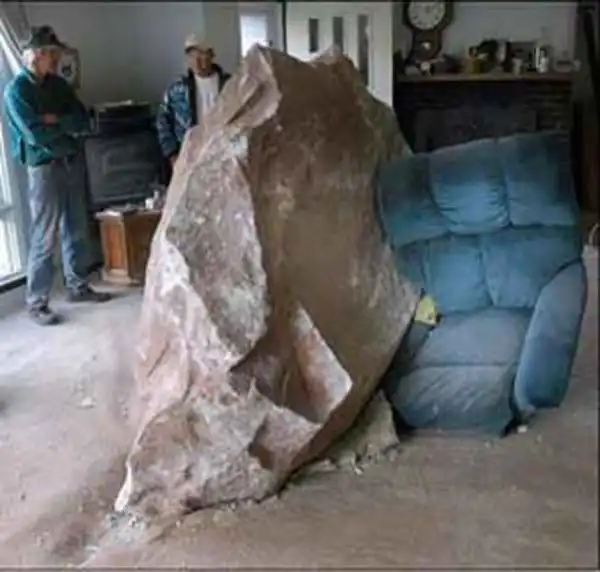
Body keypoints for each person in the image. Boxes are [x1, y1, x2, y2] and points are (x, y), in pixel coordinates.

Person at [3, 26, 111, 326]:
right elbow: (35, 136)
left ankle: (77, 286)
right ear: (37, 55)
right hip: (44, 169)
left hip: (70, 162)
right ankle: (37, 302)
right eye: (52, 53)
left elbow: (82, 120)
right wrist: (62, 127)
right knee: (45, 234)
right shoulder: (16, 91)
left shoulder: (59, 86)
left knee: (76, 226)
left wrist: (54, 121)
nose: (57, 58)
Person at [156, 35, 231, 167]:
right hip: (189, 157)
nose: (196, 60)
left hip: (223, 155)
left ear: (211, 55)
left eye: (201, 54)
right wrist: (172, 154)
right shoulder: (177, 88)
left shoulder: (230, 85)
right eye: (191, 55)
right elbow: (163, 121)